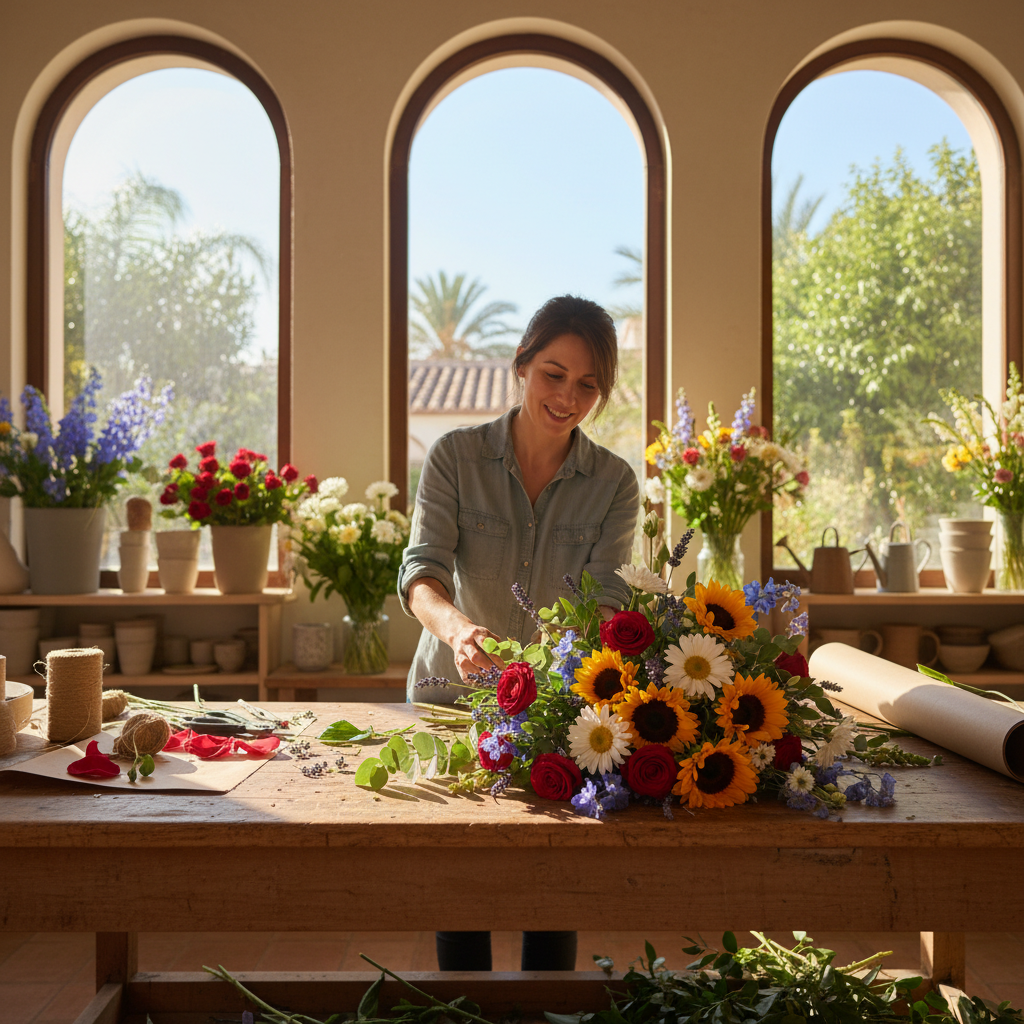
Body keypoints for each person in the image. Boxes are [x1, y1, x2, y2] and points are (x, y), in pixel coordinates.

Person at [397, 294, 641, 972]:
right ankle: (464, 1010)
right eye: (553, 374)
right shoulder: (454, 457)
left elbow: (608, 600)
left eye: (588, 384)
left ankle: (547, 1006)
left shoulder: (615, 484)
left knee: (550, 879)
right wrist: (455, 627)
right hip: (452, 702)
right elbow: (421, 571)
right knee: (462, 882)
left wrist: (545, 672)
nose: (567, 396)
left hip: (555, 713)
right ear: (522, 365)